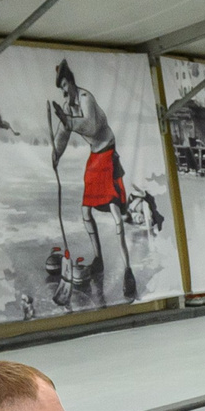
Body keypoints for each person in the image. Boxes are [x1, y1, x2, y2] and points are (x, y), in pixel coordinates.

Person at [47, 59, 138, 300]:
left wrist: (68, 121)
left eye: (65, 85)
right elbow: (62, 135)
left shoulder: (86, 98)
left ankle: (128, 271)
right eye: (61, 87)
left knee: (115, 212)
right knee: (85, 210)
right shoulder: (68, 106)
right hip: (95, 157)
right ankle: (99, 258)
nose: (64, 91)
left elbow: (92, 126)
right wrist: (56, 155)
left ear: (71, 82)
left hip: (107, 153)